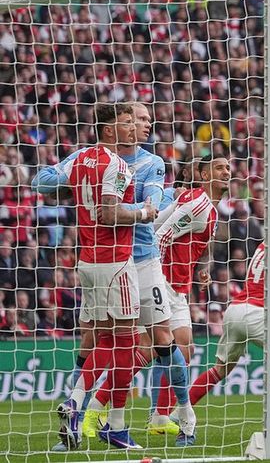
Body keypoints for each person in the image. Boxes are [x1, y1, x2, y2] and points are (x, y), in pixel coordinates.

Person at [34, 103, 193, 447]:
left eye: (146, 121)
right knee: (103, 340)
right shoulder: (95, 159)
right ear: (116, 125)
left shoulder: (152, 162)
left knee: (162, 338)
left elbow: (155, 200)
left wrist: (126, 195)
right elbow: (41, 181)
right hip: (114, 262)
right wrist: (78, 175)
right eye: (137, 119)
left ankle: (179, 414)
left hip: (142, 260)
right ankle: (89, 418)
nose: (143, 125)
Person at [54, 103, 157, 450]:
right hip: (115, 262)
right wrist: (144, 212)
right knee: (126, 343)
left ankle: (95, 414)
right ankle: (98, 415)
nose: (133, 129)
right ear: (110, 130)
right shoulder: (116, 164)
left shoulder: (81, 160)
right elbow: (110, 214)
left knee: (110, 340)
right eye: (126, 124)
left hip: (88, 261)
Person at [145, 155, 230, 444]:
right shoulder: (198, 202)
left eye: (228, 167)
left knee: (184, 350)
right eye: (219, 167)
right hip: (163, 283)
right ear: (203, 174)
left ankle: (160, 415)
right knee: (146, 352)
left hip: (179, 287)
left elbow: (199, 247)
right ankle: (98, 410)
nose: (227, 172)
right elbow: (162, 237)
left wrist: (201, 270)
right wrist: (155, 276)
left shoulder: (212, 211)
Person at [181, 242, 268, 406]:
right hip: (256, 312)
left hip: (235, 309)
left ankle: (180, 412)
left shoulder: (263, 246)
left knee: (220, 369)